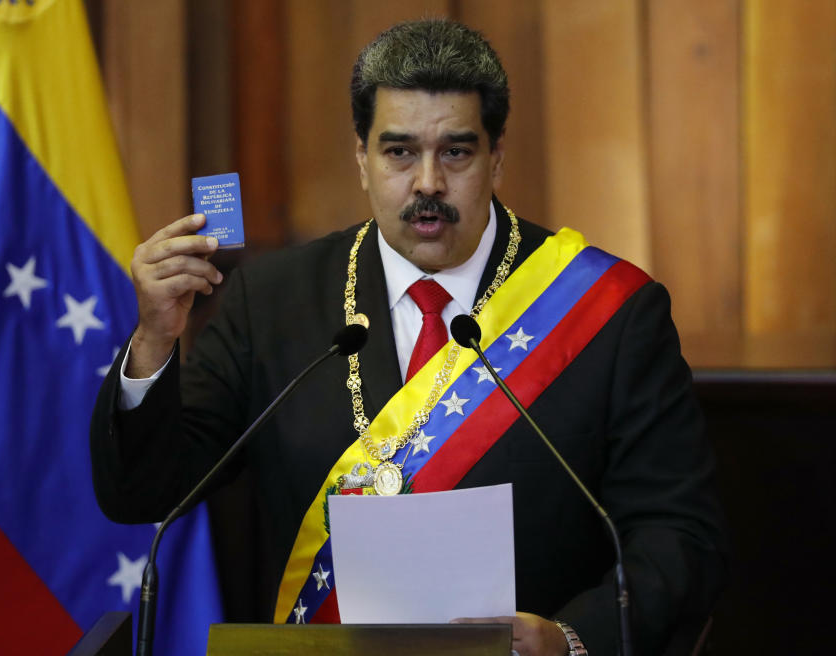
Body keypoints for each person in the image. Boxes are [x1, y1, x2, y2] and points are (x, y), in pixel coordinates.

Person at [91, 19, 727, 656]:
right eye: (399, 152)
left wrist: (567, 638)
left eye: (455, 152)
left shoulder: (609, 313)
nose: (427, 183)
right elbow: (147, 492)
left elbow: (679, 538)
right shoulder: (274, 302)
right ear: (361, 159)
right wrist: (155, 337)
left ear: (496, 156)